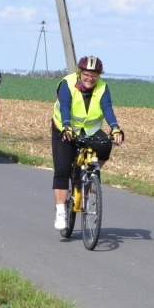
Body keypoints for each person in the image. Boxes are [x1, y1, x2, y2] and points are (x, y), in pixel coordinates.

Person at [51, 55, 124, 230]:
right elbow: (65, 106)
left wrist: (115, 127)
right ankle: (61, 212)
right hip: (64, 127)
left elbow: (107, 108)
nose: (90, 78)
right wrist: (67, 126)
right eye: (87, 74)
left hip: (89, 129)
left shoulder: (102, 88)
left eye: (94, 75)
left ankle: (91, 174)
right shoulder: (67, 84)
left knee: (105, 145)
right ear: (80, 72)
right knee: (62, 169)